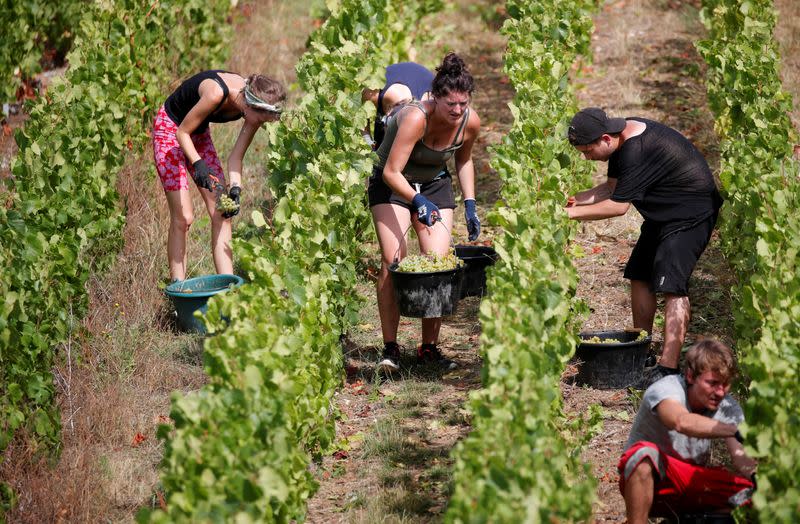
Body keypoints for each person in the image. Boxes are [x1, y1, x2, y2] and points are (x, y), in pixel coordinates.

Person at [565, 107, 723, 385]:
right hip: (662, 215)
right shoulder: (620, 140)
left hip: (690, 214)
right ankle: (641, 350)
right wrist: (571, 200)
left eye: (587, 151)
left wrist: (568, 215)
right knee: (639, 274)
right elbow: (611, 189)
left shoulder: (634, 150)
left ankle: (668, 368)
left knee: (672, 286)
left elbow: (618, 206)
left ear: (604, 138)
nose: (586, 157)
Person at [368, 52, 481, 373]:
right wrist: (416, 202)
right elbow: (391, 172)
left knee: (438, 267)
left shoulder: (469, 122)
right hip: (392, 183)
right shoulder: (416, 116)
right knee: (393, 261)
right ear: (436, 98)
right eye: (451, 105)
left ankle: (428, 348)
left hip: (434, 184)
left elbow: (464, 160)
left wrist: (470, 204)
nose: (458, 110)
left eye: (463, 103)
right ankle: (390, 348)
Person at [153, 70, 285, 282]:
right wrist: (198, 164)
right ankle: (178, 290)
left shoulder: (252, 109)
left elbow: (236, 158)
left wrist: (235, 188)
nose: (260, 125)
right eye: (261, 120)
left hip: (197, 132)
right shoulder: (216, 92)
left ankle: (227, 287)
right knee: (184, 218)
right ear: (252, 105)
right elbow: (181, 133)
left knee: (223, 213)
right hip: (171, 130)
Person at [618, 339, 756, 522]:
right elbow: (681, 421)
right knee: (644, 454)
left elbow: (741, 457)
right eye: (712, 383)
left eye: (726, 384)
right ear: (690, 376)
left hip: (692, 481)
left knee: (756, 495)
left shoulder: (728, 406)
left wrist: (758, 477)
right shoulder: (667, 389)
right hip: (653, 480)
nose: (720, 392)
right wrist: (733, 429)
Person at [361, 62, 434, 149]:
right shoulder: (372, 93)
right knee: (381, 148)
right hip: (392, 85)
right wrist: (369, 144)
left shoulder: (428, 103)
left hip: (420, 88)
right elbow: (361, 118)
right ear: (387, 113)